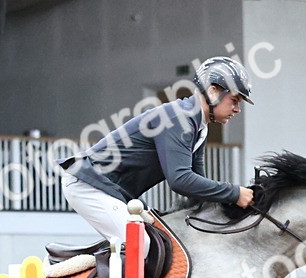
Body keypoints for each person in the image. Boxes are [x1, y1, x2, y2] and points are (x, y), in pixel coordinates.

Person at [58, 56, 255, 246]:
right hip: (88, 184)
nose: (237, 109)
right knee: (141, 244)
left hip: (112, 190)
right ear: (213, 92)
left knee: (158, 239)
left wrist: (232, 203)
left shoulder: (199, 127)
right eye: (234, 100)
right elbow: (180, 180)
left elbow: (197, 189)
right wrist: (234, 193)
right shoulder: (179, 118)